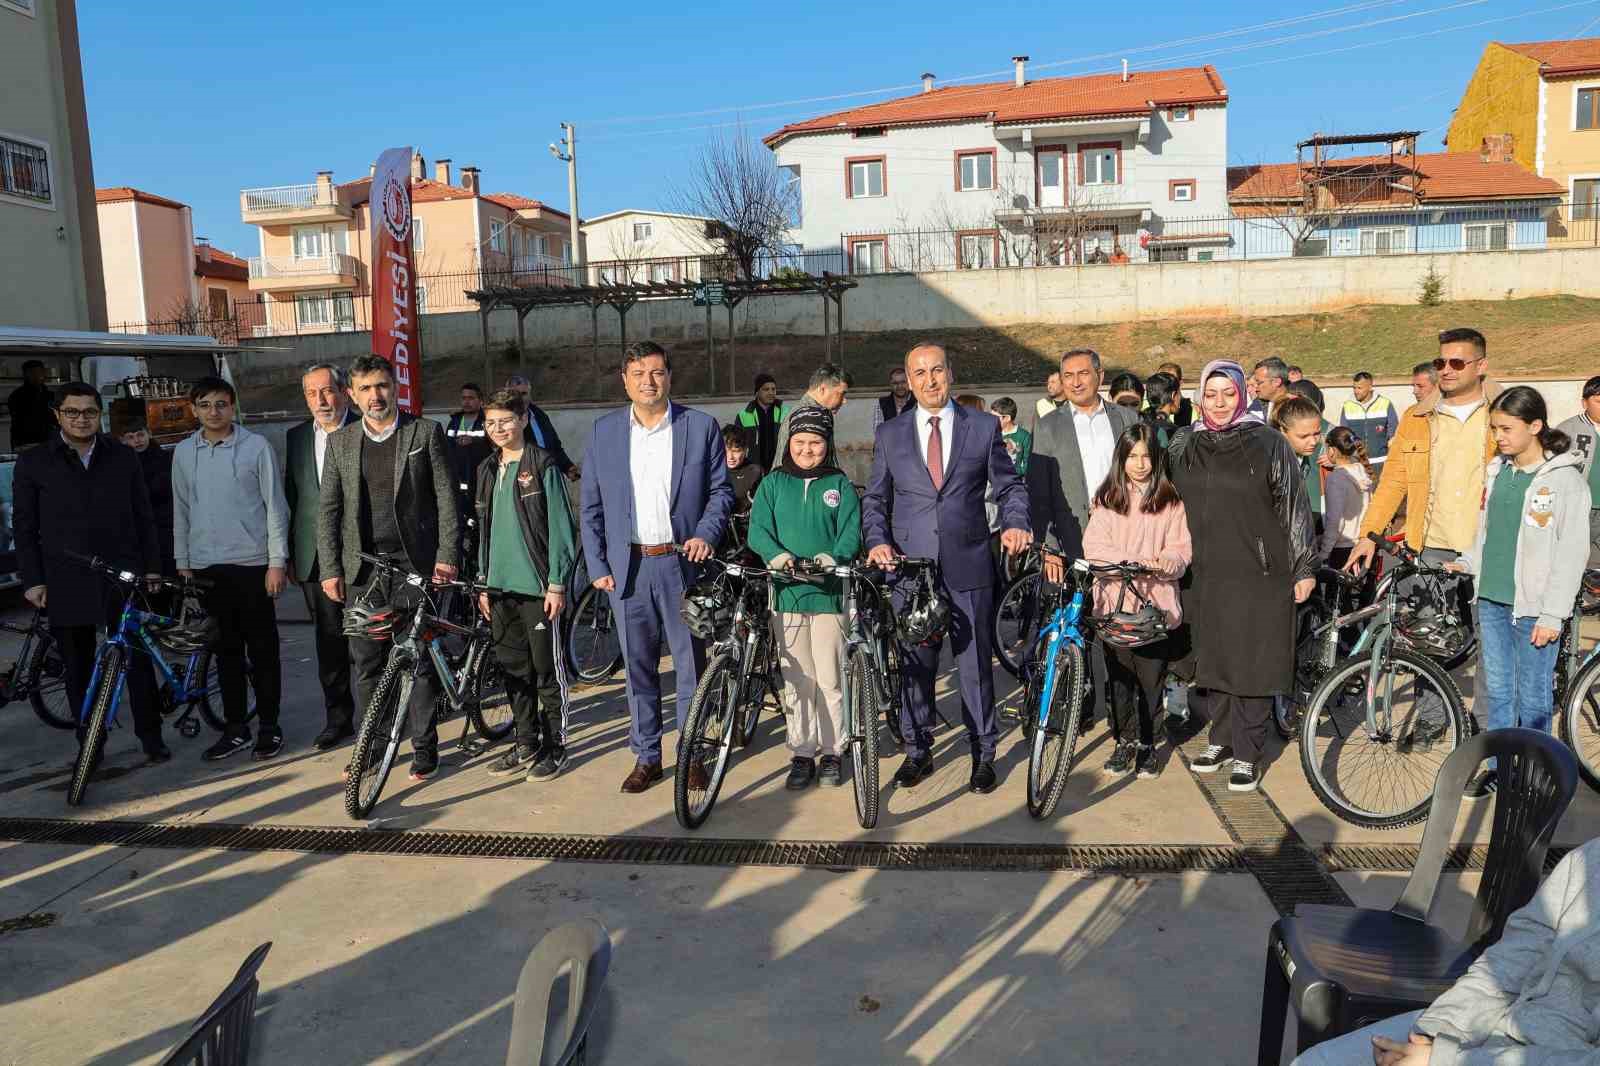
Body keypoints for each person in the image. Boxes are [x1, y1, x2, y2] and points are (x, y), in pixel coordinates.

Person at [862, 343, 1031, 794]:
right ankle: (918, 752)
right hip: (911, 570)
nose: (929, 380)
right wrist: (877, 541)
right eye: (920, 373)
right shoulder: (890, 435)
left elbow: (1010, 486)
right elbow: (875, 499)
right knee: (916, 667)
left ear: (950, 375)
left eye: (937, 371)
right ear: (908, 379)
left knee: (975, 664)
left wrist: (1016, 524)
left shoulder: (982, 426)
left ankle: (983, 753)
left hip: (969, 564)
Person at [1290, 836, 1600, 1066]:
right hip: (1489, 1029)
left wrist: (1445, 1060)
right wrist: (1436, 1032)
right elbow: (1508, 962)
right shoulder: (1589, 859)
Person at [579, 340, 733, 794]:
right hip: (628, 569)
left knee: (690, 666)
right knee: (639, 668)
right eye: (639, 373)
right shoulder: (604, 432)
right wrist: (596, 563)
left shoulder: (699, 427)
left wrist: (705, 533)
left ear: (670, 377)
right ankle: (648, 756)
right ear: (624, 380)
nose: (649, 381)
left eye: (658, 372)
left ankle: (691, 754)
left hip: (682, 565)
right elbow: (589, 506)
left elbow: (721, 493)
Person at [1170, 360, 1314, 793]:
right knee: (1214, 658)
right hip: (1205, 571)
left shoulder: (1268, 442)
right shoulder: (1184, 444)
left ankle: (1248, 752)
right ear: (1200, 398)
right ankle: (1220, 738)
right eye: (1210, 395)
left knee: (1253, 662)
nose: (1218, 403)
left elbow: (1294, 506)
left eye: (1227, 394)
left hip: (1259, 570)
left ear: (1242, 394)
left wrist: (1303, 566)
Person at [320, 355, 459, 782]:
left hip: (413, 564)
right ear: (353, 395)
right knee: (366, 662)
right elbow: (328, 509)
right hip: (362, 568)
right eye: (365, 389)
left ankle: (424, 746)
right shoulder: (341, 443)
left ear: (394, 386)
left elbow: (446, 499)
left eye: (381, 386)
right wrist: (330, 568)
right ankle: (373, 746)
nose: (374, 396)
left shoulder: (425, 432)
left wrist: (447, 555)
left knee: (413, 658)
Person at [14, 383, 167, 762]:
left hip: (121, 574)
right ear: (57, 415)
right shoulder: (34, 462)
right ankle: (90, 743)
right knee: (77, 666)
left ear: (99, 415)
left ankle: (151, 736)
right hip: (65, 576)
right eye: (72, 412)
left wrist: (150, 568)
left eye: (89, 412)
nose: (81, 419)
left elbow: (143, 516)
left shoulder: (121, 456)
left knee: (136, 661)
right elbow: (24, 526)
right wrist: (33, 579)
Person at [1453, 387, 1588, 766]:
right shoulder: (1498, 471)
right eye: (1494, 428)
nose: (1499, 437)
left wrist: (1553, 614)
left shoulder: (1564, 480)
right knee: (1498, 692)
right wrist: (1467, 563)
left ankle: (1533, 770)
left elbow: (1571, 553)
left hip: (1535, 609)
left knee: (1533, 697)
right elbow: (1487, 531)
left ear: (1535, 426)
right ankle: (1499, 768)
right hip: (1493, 600)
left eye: (1507, 428)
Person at [172, 376, 289, 762]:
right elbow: (181, 509)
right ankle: (235, 728)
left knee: (263, 651)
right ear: (194, 410)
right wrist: (183, 561)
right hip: (207, 567)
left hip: (253, 566)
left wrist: (277, 562)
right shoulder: (184, 452)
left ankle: (269, 728)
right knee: (225, 653)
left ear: (233, 406)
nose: (213, 412)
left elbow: (276, 507)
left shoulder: (256, 447)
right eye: (205, 405)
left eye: (221, 404)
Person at [746, 407, 861, 790]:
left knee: (829, 677)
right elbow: (758, 530)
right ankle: (802, 751)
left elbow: (851, 531)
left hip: (828, 594)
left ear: (826, 445)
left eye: (815, 442)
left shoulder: (839, 484)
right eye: (800, 442)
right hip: (788, 593)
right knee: (797, 678)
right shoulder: (774, 483)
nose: (807, 449)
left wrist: (833, 558)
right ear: (789, 444)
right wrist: (779, 558)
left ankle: (832, 751)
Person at [476, 388, 578, 783]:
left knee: (545, 671)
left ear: (521, 420)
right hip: (499, 590)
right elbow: (484, 533)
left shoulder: (542, 464)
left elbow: (562, 529)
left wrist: (557, 583)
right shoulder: (487, 469)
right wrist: (484, 584)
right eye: (490, 423)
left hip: (538, 589)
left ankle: (556, 746)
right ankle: (525, 742)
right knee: (513, 671)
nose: (497, 429)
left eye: (505, 420)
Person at [1082, 422, 1191, 779]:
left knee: (1151, 679)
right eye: (1132, 456)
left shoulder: (1170, 500)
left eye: (1146, 456)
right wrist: (1128, 563)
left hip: (1154, 606)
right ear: (1121, 459)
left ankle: (1148, 743)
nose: (1140, 464)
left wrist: (1168, 562)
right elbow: (1095, 547)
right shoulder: (1107, 498)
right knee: (1119, 679)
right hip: (1114, 606)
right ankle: (1123, 740)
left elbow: (1179, 548)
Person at [1343, 329, 1499, 578]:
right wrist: (1368, 535)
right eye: (1441, 363)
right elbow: (1393, 482)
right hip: (1431, 548)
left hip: (1489, 547)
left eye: (1457, 363)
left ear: (1481, 366)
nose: (1446, 370)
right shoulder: (1415, 418)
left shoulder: (1505, 414)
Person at [284, 362, 360, 751]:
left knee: (369, 642)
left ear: (345, 391)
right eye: (312, 393)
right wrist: (292, 556)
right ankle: (339, 719)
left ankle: (389, 715)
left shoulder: (366, 430)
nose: (321, 400)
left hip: (361, 554)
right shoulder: (296, 438)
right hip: (314, 558)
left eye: (327, 391)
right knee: (329, 643)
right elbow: (294, 499)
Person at [1028, 348, 1141, 567]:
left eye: (1083, 373)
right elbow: (1038, 493)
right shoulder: (1047, 426)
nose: (1076, 383)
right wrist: (1049, 548)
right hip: (1072, 541)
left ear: (1100, 375)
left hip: (1126, 535)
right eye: (1068, 376)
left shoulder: (1127, 419)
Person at [112, 407, 175, 579]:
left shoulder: (166, 459)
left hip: (165, 528)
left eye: (140, 435)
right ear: (122, 440)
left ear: (149, 434)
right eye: (130, 437)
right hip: (137, 533)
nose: (137, 441)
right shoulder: (119, 466)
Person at [1555, 373, 1600, 567]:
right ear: (1584, 402)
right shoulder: (1568, 429)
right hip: (1581, 508)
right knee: (1573, 561)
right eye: (1599, 401)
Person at [1317, 426, 1375, 570]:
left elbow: (1336, 522)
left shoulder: (1335, 479)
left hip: (1341, 550)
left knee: (1336, 592)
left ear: (1332, 451)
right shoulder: (1363, 472)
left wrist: (1324, 553)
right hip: (1363, 544)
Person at [775, 363, 851, 470]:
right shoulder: (801, 416)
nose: (844, 401)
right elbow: (781, 464)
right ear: (822, 389)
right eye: (841, 394)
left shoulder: (822, 413)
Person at [1273, 395, 1332, 530]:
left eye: (1317, 433)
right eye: (1303, 436)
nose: (1313, 442)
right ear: (1283, 431)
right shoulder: (1270, 463)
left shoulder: (1305, 454)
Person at [505, 375, 579, 481]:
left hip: (548, 475)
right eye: (515, 394)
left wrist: (568, 467)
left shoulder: (540, 416)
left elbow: (555, 446)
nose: (520, 398)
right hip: (521, 479)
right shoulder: (502, 421)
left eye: (524, 394)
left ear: (530, 395)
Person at [445, 382, 493, 540]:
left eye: (471, 398)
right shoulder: (454, 421)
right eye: (463, 398)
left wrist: (474, 442)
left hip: (481, 479)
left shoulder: (488, 420)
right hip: (458, 480)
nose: (466, 402)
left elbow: (494, 446)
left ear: (481, 401)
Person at [1339, 371, 1398, 467]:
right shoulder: (1347, 406)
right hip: (1356, 464)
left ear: (1370, 387)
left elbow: (1394, 433)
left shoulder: (1385, 404)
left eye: (1359, 388)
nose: (1356, 391)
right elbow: (1343, 435)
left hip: (1382, 462)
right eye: (1354, 388)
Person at [737, 372, 786, 472]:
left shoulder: (786, 412)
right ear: (757, 392)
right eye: (766, 389)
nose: (771, 393)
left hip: (780, 469)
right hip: (753, 471)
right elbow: (737, 446)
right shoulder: (743, 416)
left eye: (773, 389)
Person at [7, 359, 55, 449]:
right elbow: (25, 420)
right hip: (25, 442)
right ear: (25, 375)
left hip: (47, 440)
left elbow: (54, 417)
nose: (37, 376)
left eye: (40, 372)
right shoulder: (17, 396)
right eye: (32, 373)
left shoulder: (49, 394)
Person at [721, 423, 763, 517]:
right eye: (726, 451)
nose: (730, 457)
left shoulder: (755, 472)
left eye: (736, 451)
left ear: (745, 450)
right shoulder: (713, 471)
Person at [992, 397, 1031, 475]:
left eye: (995, 417)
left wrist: (1012, 472)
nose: (991, 420)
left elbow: (1028, 464)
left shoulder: (1024, 436)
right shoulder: (991, 433)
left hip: (1014, 482)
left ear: (1007, 418)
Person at [1143, 372, 1182, 448]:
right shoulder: (1172, 432)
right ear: (1173, 395)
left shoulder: (1140, 425)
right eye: (1179, 394)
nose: (1180, 398)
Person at [873, 367, 914, 435]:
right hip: (887, 443)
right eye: (895, 383)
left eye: (903, 382)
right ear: (890, 385)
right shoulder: (882, 404)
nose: (900, 386)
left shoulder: (918, 403)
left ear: (909, 382)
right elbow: (878, 432)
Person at [1156, 362, 1194, 428]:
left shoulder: (1185, 406)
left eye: (1172, 381)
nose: (1168, 386)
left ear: (1180, 383)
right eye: (1162, 381)